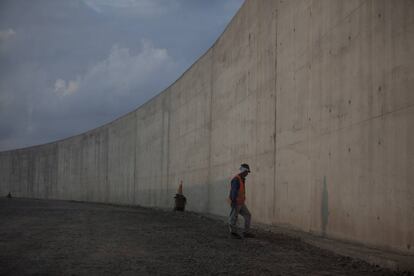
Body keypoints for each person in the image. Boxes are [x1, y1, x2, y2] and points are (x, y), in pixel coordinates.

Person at [228, 163, 254, 239]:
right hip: (236, 202)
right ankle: (233, 233)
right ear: (243, 171)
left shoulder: (242, 179)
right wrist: (233, 201)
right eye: (247, 172)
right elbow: (233, 191)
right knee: (233, 217)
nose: (247, 174)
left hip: (241, 203)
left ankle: (246, 232)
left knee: (248, 215)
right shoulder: (236, 179)